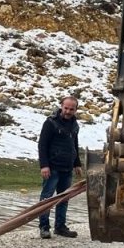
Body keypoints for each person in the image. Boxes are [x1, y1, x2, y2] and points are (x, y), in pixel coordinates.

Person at [37, 96, 83, 239]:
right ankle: (44, 227)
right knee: (47, 199)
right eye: (66, 108)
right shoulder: (50, 123)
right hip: (52, 167)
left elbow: (74, 145)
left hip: (67, 168)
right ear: (61, 106)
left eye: (71, 109)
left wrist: (77, 164)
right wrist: (44, 166)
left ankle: (60, 227)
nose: (68, 111)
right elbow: (42, 145)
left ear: (76, 110)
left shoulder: (75, 125)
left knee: (64, 198)